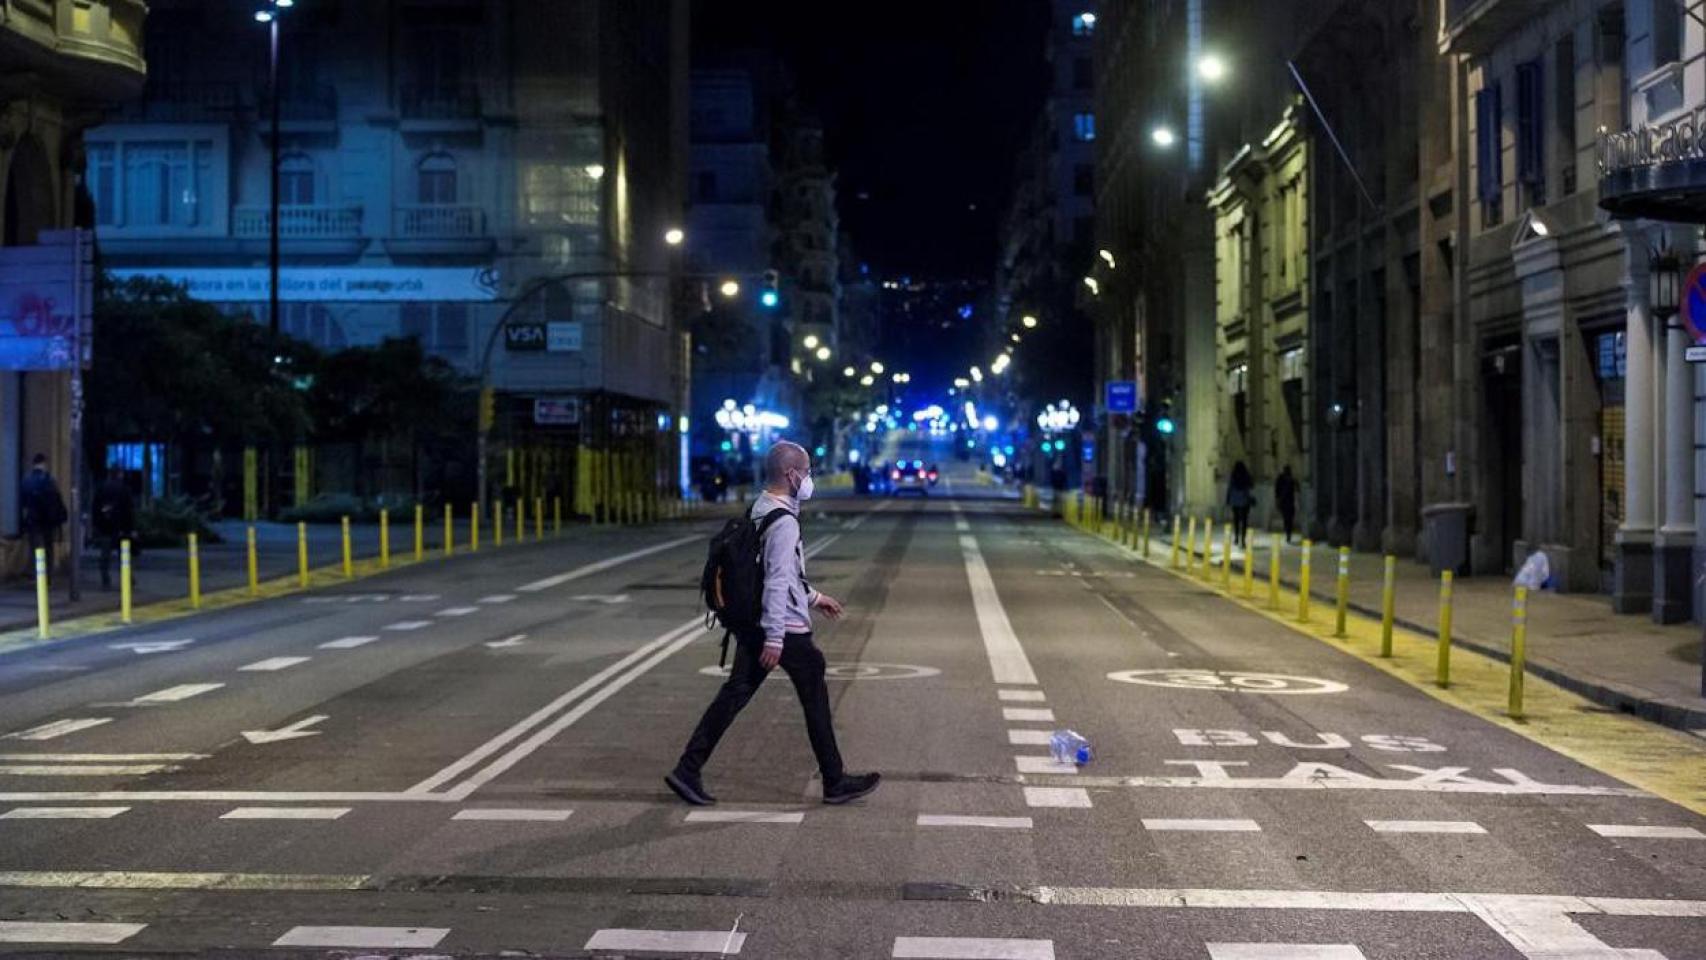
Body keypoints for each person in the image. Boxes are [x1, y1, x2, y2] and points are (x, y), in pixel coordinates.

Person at [666, 440, 881, 807]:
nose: (809, 479)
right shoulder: (784, 522)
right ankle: (834, 781)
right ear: (791, 474)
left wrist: (815, 598)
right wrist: (775, 637)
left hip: (757, 625)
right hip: (782, 629)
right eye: (808, 472)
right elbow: (778, 580)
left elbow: (770, 572)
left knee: (735, 693)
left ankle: (688, 768)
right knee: (813, 686)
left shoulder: (761, 507)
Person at [20, 454, 67, 583]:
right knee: (48, 548)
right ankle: (47, 576)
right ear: (43, 463)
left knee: (35, 548)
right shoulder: (49, 479)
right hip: (48, 521)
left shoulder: (26, 480)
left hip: (33, 520)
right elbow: (57, 499)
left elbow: (23, 502)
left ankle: (37, 574)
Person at [93, 471, 137, 591]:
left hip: (105, 527)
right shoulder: (124, 489)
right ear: (120, 475)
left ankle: (105, 580)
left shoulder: (101, 488)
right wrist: (131, 528)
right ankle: (128, 578)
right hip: (121, 528)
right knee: (124, 556)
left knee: (105, 555)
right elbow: (129, 510)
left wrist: (97, 525)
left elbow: (95, 509)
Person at [1226, 460, 1255, 547]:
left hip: (1235, 501)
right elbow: (1251, 485)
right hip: (1244, 500)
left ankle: (1236, 538)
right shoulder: (1246, 476)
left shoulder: (1233, 476)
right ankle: (1243, 540)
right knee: (1244, 521)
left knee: (1236, 520)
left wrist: (1227, 499)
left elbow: (1230, 488)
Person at [1275, 464, 1298, 544]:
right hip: (1289, 502)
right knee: (1289, 518)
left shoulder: (1281, 478)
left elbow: (1277, 490)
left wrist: (1277, 500)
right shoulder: (1291, 479)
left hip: (1284, 502)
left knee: (1286, 518)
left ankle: (1288, 532)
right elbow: (1297, 489)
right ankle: (1288, 532)